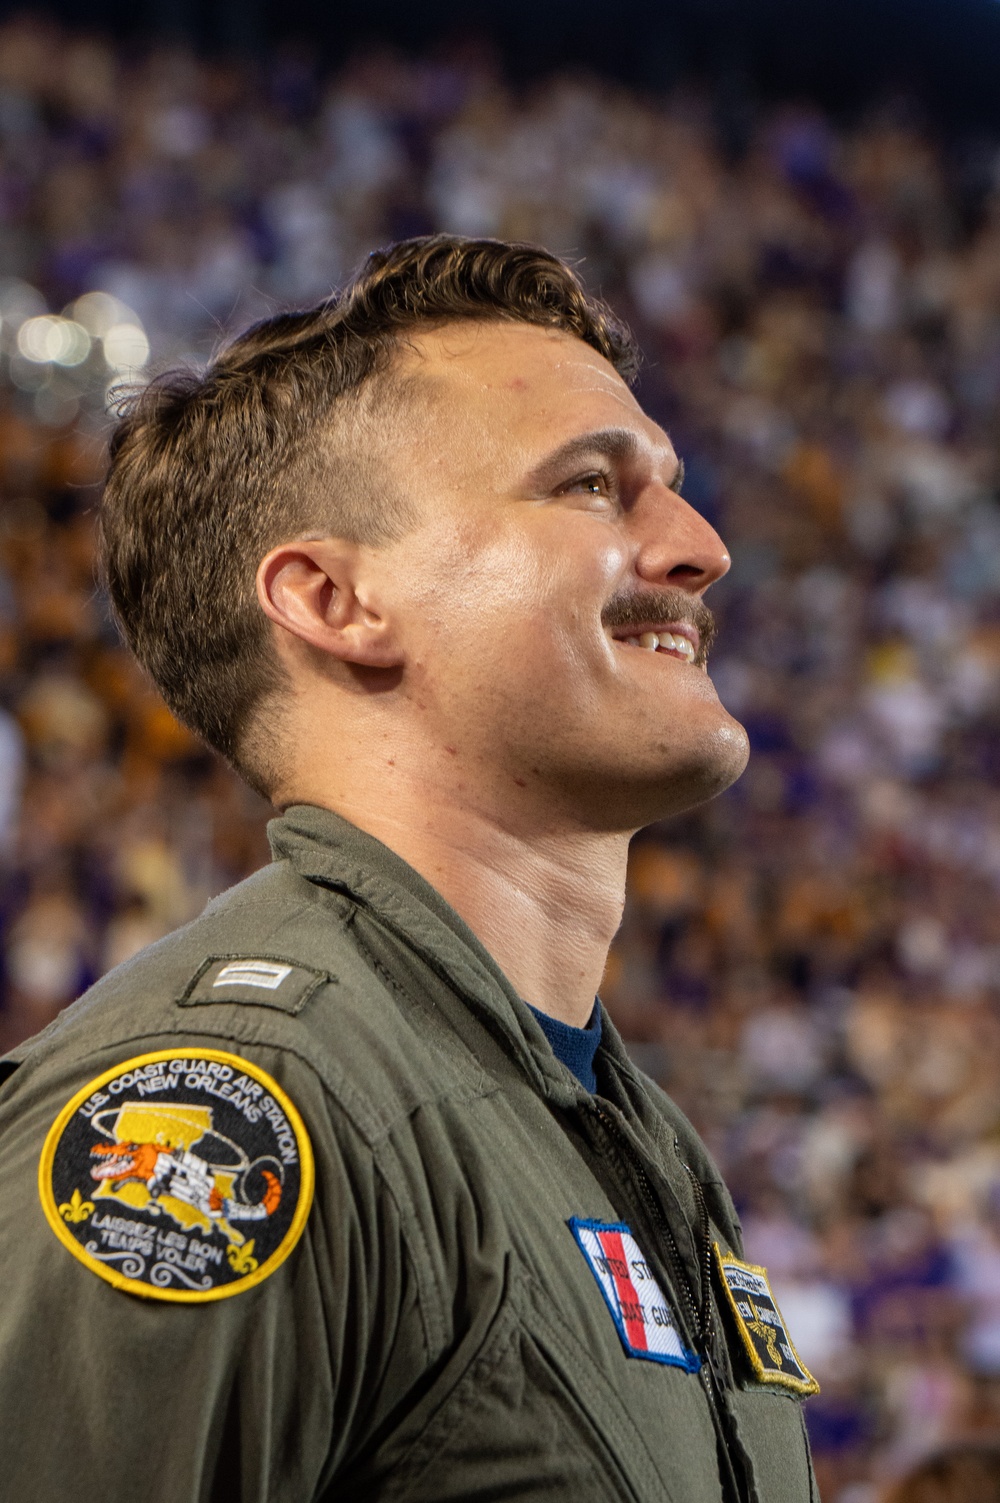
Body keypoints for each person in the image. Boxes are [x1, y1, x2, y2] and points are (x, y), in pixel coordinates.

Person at [0, 235, 818, 1502]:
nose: (700, 547)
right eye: (592, 487)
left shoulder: (611, 1121)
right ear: (333, 598)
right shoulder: (238, 1111)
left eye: (668, 483)